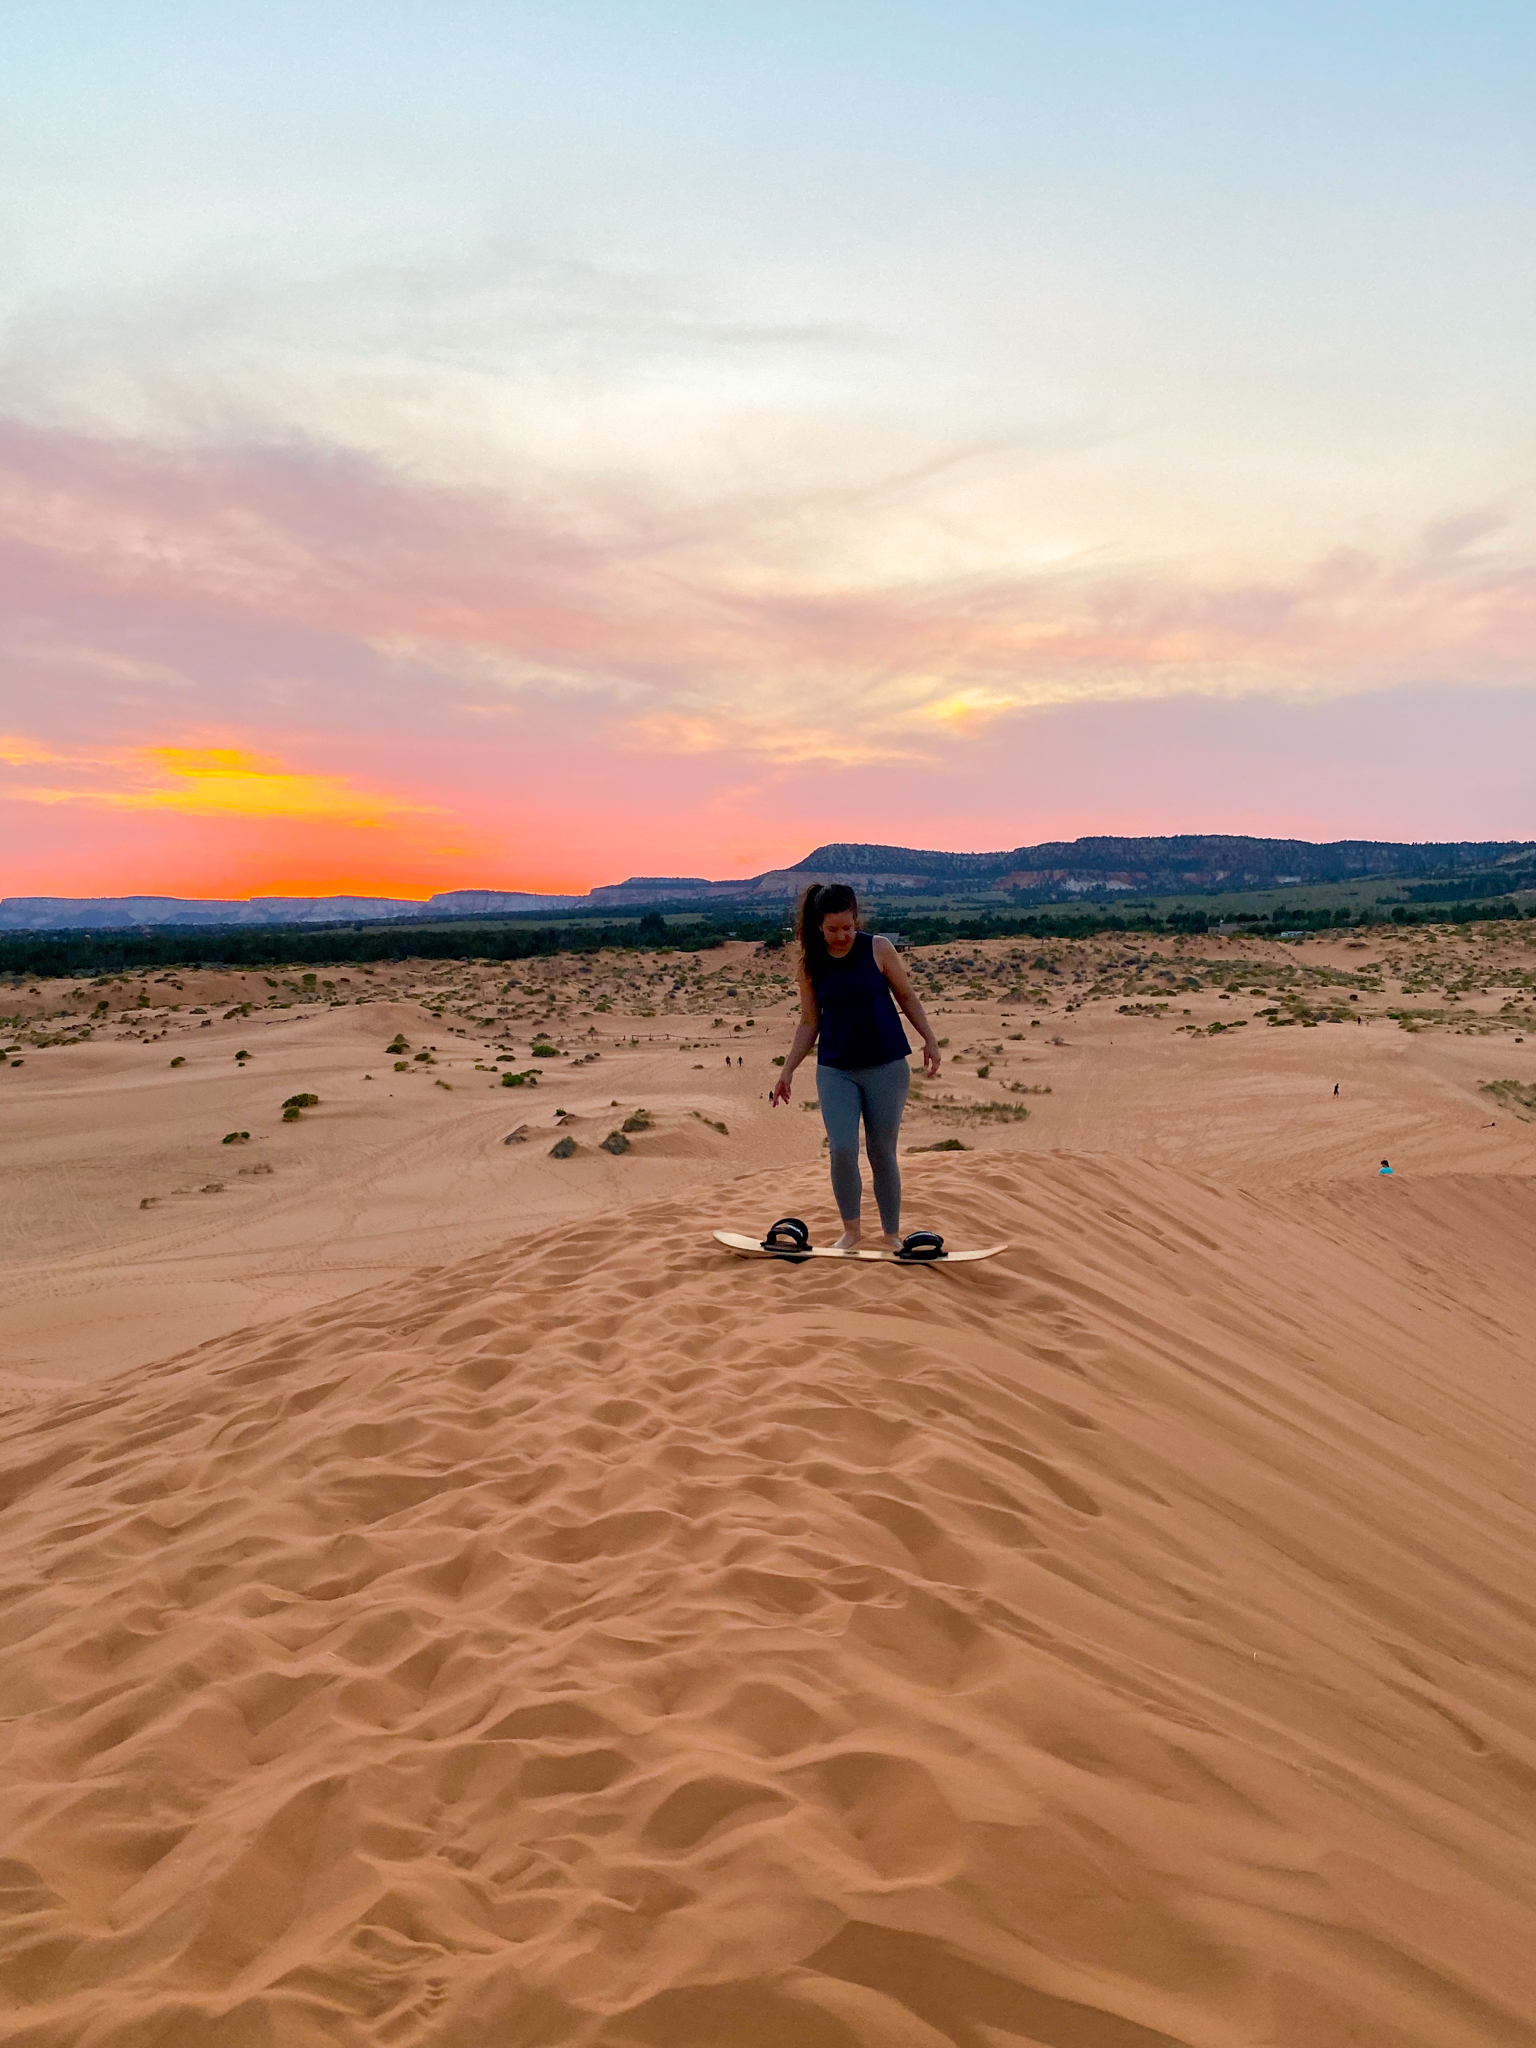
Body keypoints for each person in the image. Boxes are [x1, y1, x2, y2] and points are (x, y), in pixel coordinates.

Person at [769, 882, 941, 1250]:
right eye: (833, 929)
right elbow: (808, 1022)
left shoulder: (878, 948)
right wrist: (788, 1070)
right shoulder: (811, 963)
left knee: (882, 1152)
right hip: (836, 1069)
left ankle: (891, 1235)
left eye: (848, 927)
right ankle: (851, 1230)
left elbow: (906, 996)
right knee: (843, 1148)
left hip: (887, 1066)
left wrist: (929, 1038)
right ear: (818, 925)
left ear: (855, 918)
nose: (842, 935)